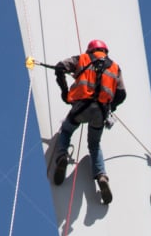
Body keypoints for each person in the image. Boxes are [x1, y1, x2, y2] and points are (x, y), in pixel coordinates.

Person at [53, 39, 126, 204]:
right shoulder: (115, 68)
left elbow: (59, 67)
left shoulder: (82, 59)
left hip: (81, 107)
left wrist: (65, 92)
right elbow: (121, 94)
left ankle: (61, 157)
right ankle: (102, 177)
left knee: (66, 131)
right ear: (105, 51)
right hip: (100, 112)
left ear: (90, 50)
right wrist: (109, 107)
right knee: (94, 144)